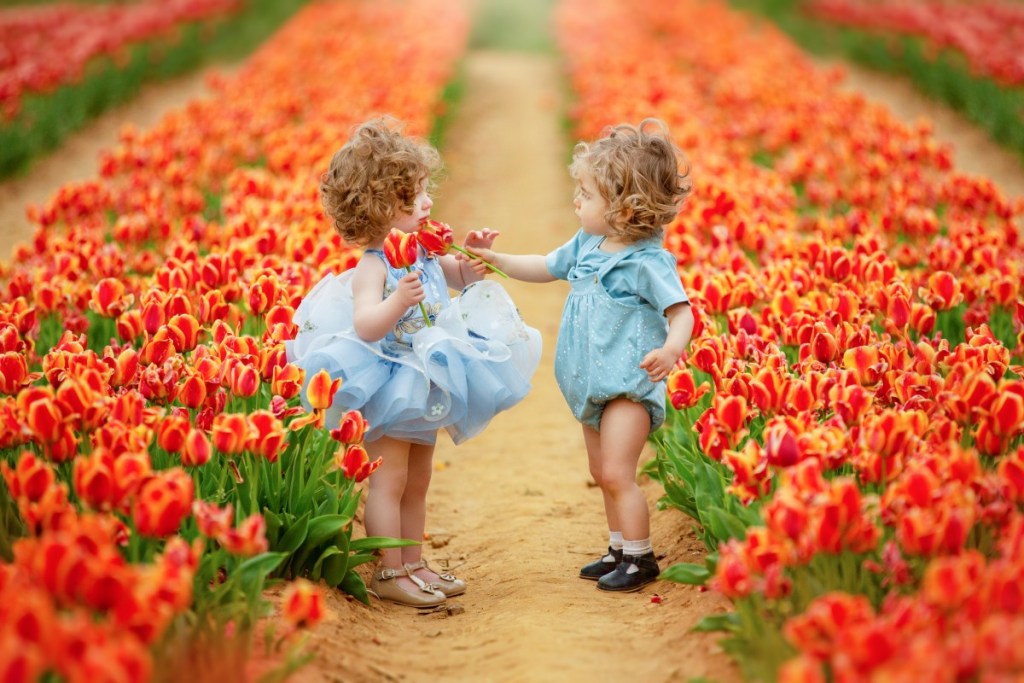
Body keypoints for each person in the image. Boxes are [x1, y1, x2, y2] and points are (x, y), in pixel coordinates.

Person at [286, 117, 541, 608]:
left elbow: (461, 277)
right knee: (390, 479)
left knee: (419, 479)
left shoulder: (423, 252)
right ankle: (387, 571)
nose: (426, 204)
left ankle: (414, 562)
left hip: (424, 380)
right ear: (378, 210)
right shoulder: (374, 266)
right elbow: (365, 325)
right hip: (385, 382)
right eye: (412, 199)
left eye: (425, 191)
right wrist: (397, 302)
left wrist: (476, 257)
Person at [470, 118, 695, 592]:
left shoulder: (646, 262)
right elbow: (544, 266)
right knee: (600, 472)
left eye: (587, 194)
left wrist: (672, 348)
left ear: (625, 207)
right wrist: (497, 262)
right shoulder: (587, 243)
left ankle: (640, 558)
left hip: (629, 384)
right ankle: (618, 548)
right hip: (589, 378)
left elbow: (681, 312)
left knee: (617, 472)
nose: (577, 200)